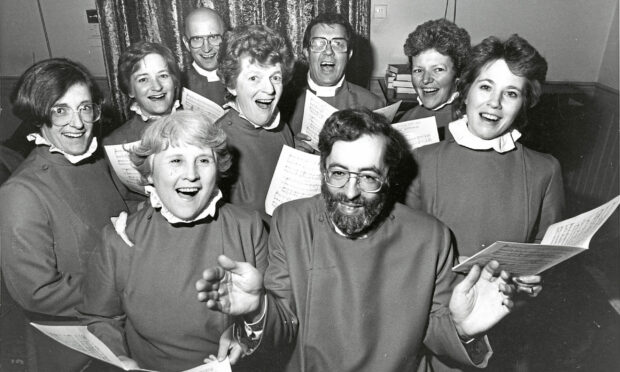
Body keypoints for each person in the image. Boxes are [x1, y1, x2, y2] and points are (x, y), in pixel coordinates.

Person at [196, 108, 520, 372]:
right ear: (322, 169)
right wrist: (256, 310)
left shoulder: (430, 237)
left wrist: (462, 329)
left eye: (368, 177)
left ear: (388, 178)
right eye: (338, 173)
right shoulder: (292, 221)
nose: (351, 193)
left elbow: (436, 332)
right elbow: (283, 326)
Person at [406, 35, 564, 371]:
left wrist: (534, 282)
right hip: (434, 328)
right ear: (465, 91)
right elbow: (402, 261)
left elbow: (546, 255)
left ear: (524, 103)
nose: (494, 103)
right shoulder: (419, 161)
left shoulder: (544, 169)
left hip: (506, 331)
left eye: (511, 93)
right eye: (485, 87)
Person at [79, 110, 268, 372]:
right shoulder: (120, 238)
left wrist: (246, 335)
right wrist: (119, 358)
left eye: (203, 160)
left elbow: (275, 311)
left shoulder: (248, 227)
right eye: (176, 160)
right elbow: (100, 317)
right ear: (149, 173)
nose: (191, 175)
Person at [0, 58, 128, 371]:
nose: (78, 123)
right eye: (61, 110)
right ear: (39, 114)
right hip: (79, 348)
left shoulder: (94, 163)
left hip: (120, 322)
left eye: (85, 108)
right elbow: (38, 292)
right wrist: (125, 286)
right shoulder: (21, 192)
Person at [216, 24, 295, 222]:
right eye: (254, 78)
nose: (269, 89)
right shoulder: (218, 140)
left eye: (275, 77)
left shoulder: (282, 128)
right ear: (231, 84)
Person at [103, 41, 182, 208]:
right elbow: (124, 201)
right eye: (143, 79)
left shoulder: (201, 126)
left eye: (163, 75)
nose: (156, 86)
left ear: (174, 81)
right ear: (130, 90)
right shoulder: (115, 142)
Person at [285, 13, 386, 135]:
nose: (328, 51)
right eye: (319, 43)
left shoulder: (373, 105)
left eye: (338, 44)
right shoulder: (283, 102)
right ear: (306, 52)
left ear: (349, 55)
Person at [399, 19, 471, 141]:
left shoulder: (472, 124)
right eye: (418, 70)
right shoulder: (406, 119)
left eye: (438, 69)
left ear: (458, 74)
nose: (426, 79)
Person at [182, 7, 228, 106]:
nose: (206, 49)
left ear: (225, 38)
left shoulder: (242, 77)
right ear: (186, 44)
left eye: (213, 37)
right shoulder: (178, 84)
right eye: (197, 39)